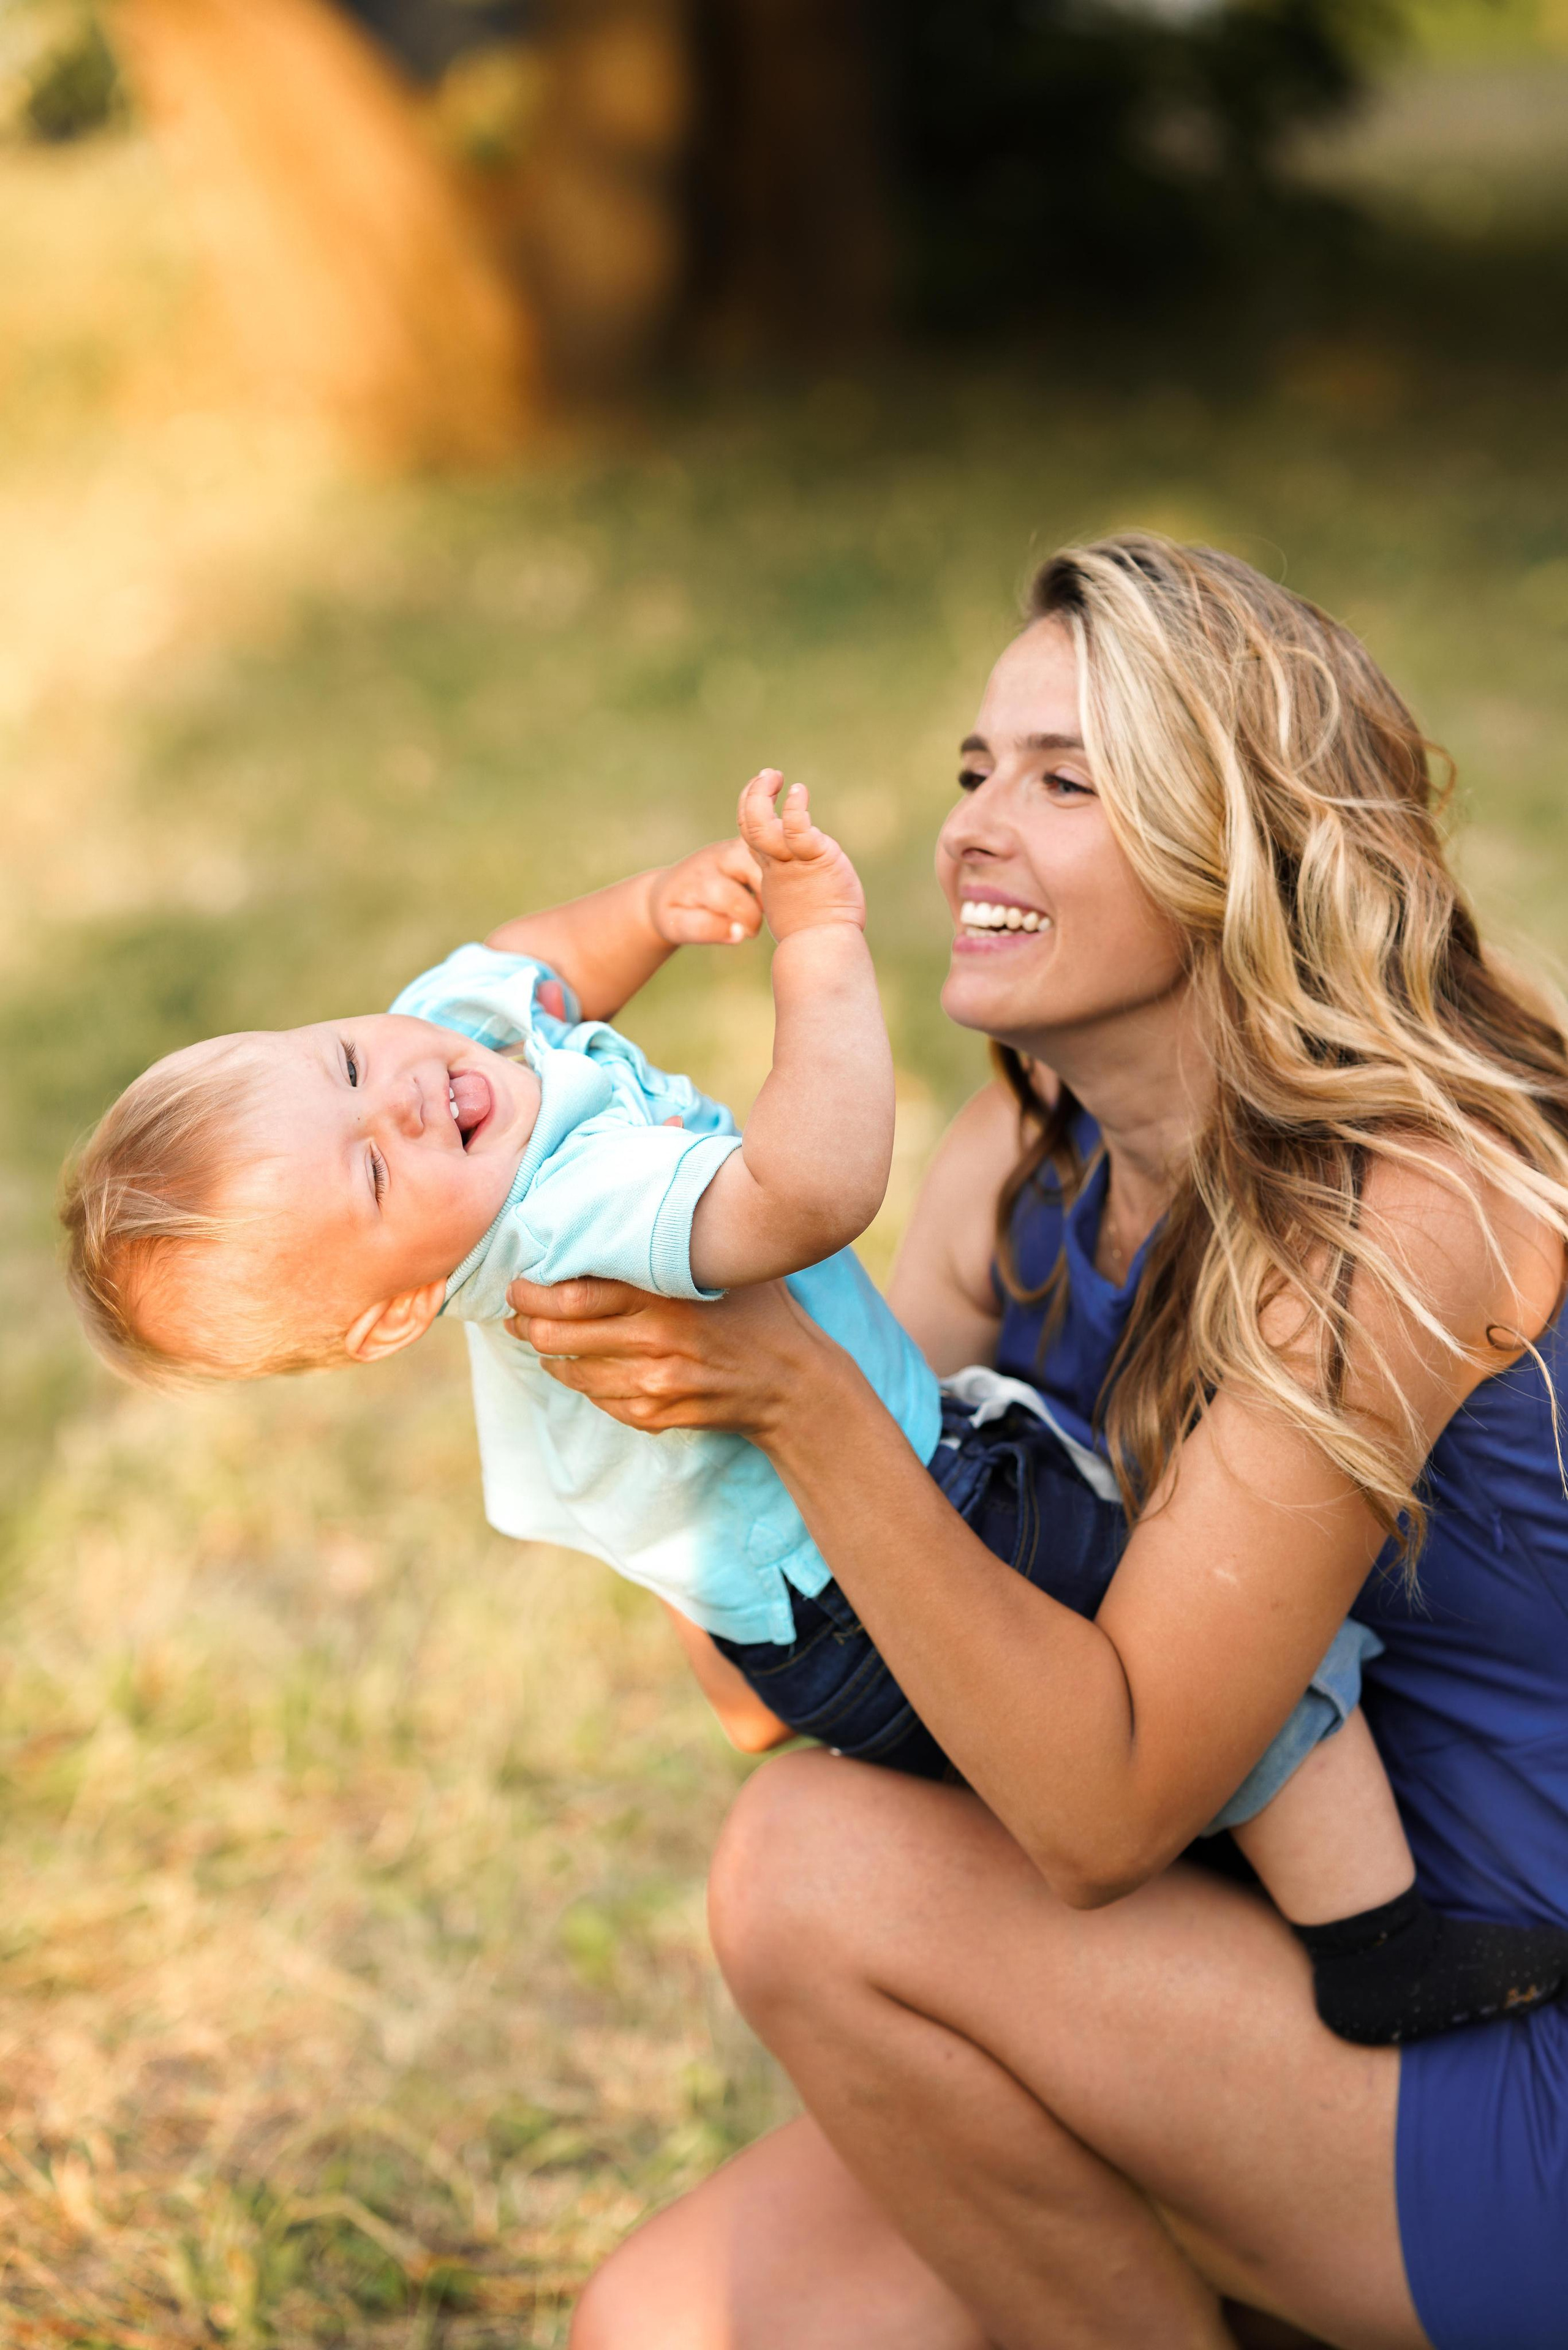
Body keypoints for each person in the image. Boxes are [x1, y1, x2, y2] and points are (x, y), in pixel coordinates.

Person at [59, 721, 1561, 2058]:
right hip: (846, 1583)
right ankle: (1378, 1949)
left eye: (336, 1060)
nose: (395, 1089)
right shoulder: (567, 1209)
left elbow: (519, 964)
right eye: (373, 1171)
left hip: (782, 1586)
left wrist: (646, 910)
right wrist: (814, 947)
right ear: (395, 1312)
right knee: (1221, 1690)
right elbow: (810, 1188)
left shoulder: (447, 1059)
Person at [500, 535, 1568, 2350]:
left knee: (811, 1870)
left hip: (1504, 2036)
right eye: (978, 770)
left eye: (1069, 779)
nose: (979, 824)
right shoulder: (1025, 1164)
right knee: (664, 2323)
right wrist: (625, 1325)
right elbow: (759, 1677)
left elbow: (1100, 1809)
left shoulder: (1405, 1209)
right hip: (1263, 1961)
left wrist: (798, 1400)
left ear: (1252, 845)